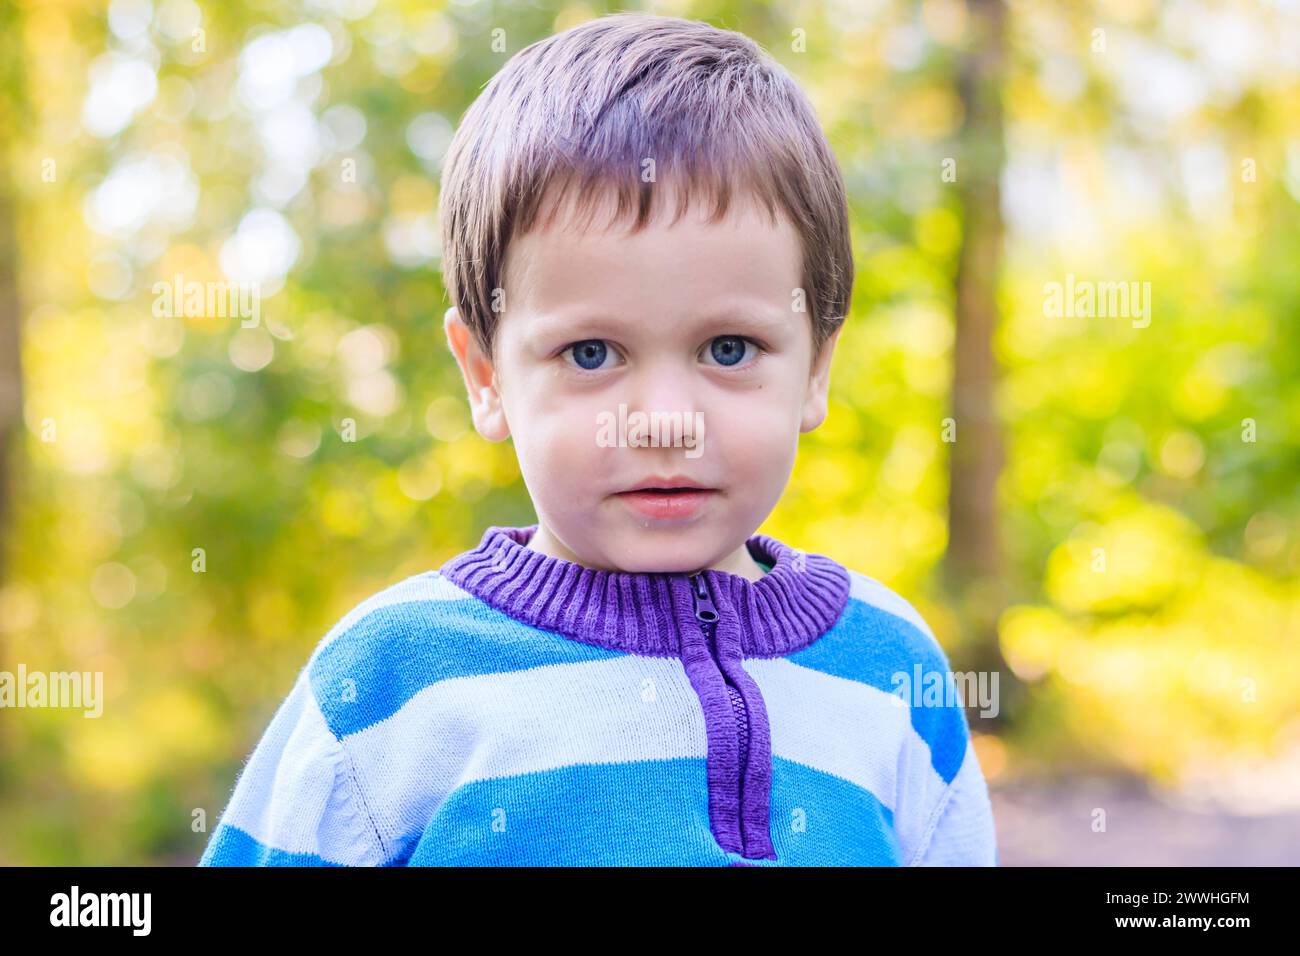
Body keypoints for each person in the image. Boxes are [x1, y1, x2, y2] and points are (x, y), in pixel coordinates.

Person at [199, 11, 998, 867]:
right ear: (487, 375)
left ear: (814, 369)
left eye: (730, 349)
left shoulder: (892, 674)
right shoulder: (391, 686)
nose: (664, 420)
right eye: (590, 353)